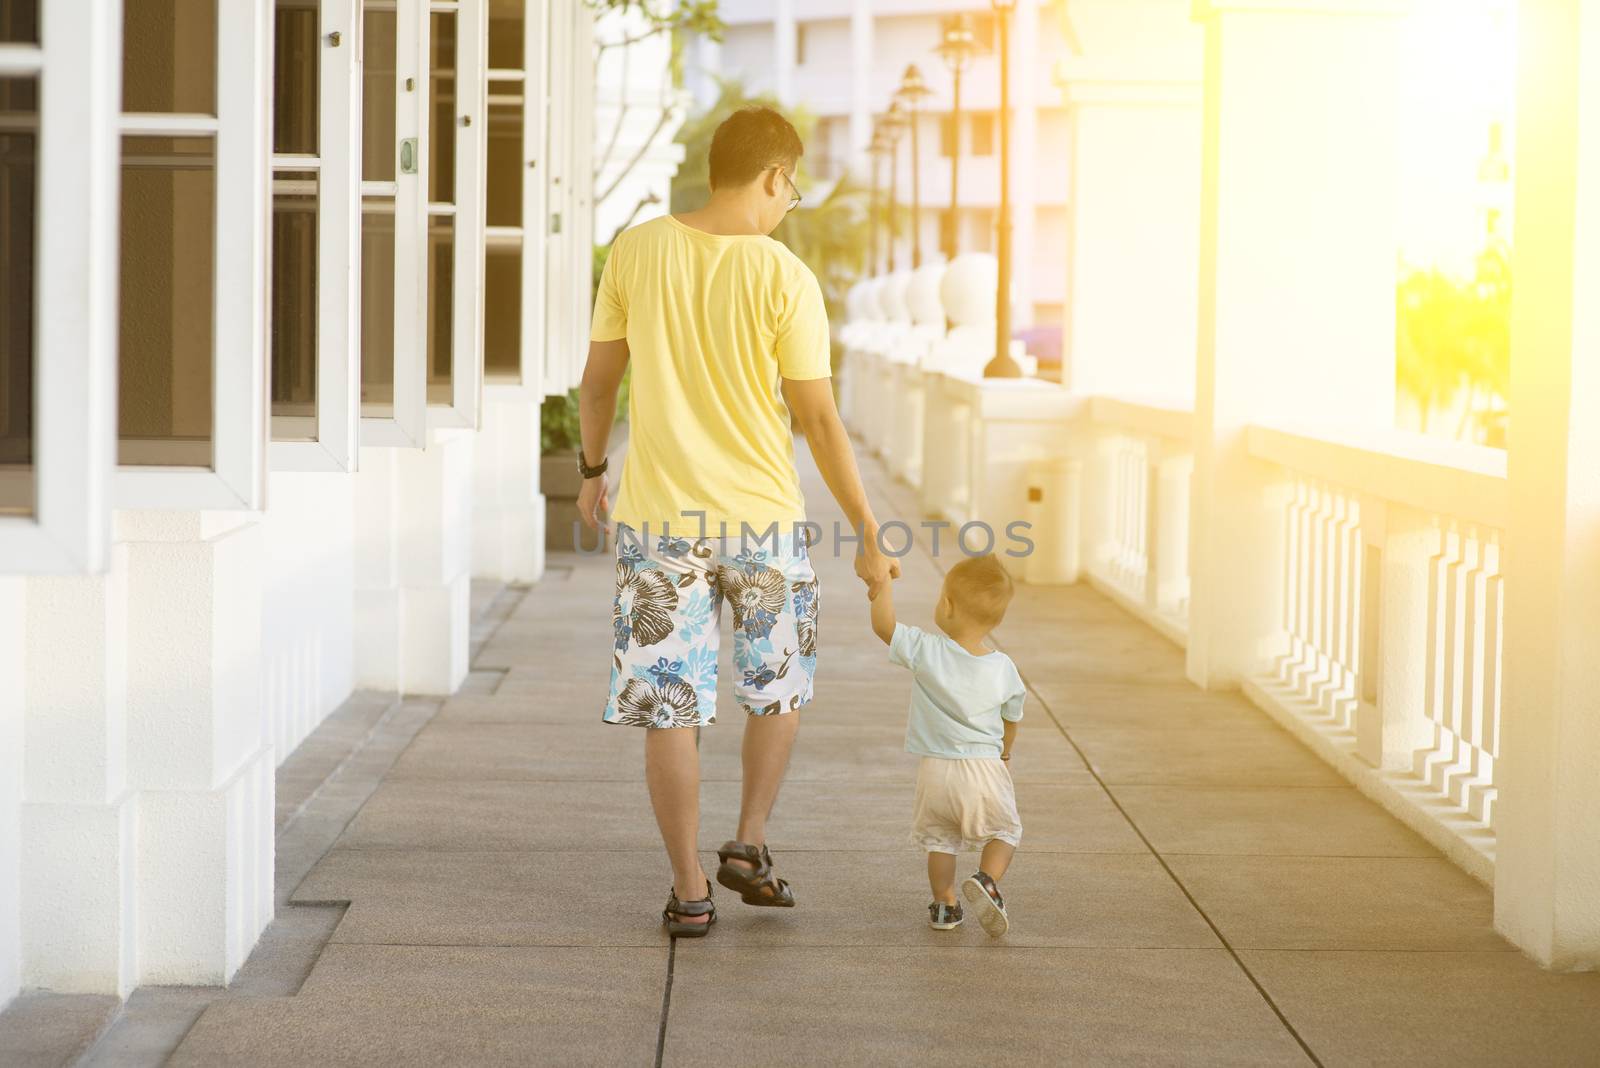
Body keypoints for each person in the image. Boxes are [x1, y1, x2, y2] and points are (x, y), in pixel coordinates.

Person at [577, 106, 898, 937]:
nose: (790, 203)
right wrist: (866, 527)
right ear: (771, 177)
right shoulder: (785, 277)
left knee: (669, 707)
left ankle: (690, 890)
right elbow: (820, 421)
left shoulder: (637, 250)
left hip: (658, 524)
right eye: (792, 186)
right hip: (762, 524)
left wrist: (590, 472)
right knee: (776, 689)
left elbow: (600, 380)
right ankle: (749, 842)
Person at [869, 553, 1025, 937]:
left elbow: (884, 626)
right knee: (1005, 832)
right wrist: (1004, 751)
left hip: (935, 771)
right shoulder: (1003, 667)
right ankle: (987, 881)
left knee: (940, 839)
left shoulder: (928, 650)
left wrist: (883, 583)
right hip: (984, 768)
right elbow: (1011, 719)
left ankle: (945, 905)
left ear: (947, 606)